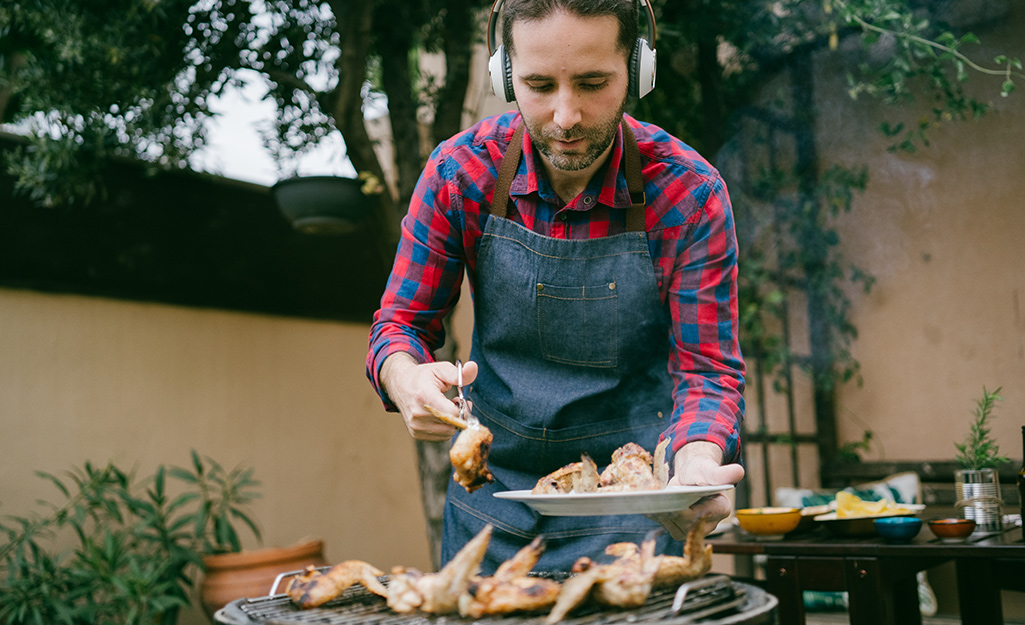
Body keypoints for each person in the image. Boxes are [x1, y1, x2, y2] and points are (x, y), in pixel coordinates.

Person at [367, 0, 745, 573]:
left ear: (638, 71)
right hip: (490, 511)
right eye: (539, 84)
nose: (565, 116)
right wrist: (405, 376)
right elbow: (400, 325)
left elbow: (707, 371)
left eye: (593, 83)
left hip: (637, 514)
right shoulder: (459, 174)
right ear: (504, 74)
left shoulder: (689, 195)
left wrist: (695, 463)